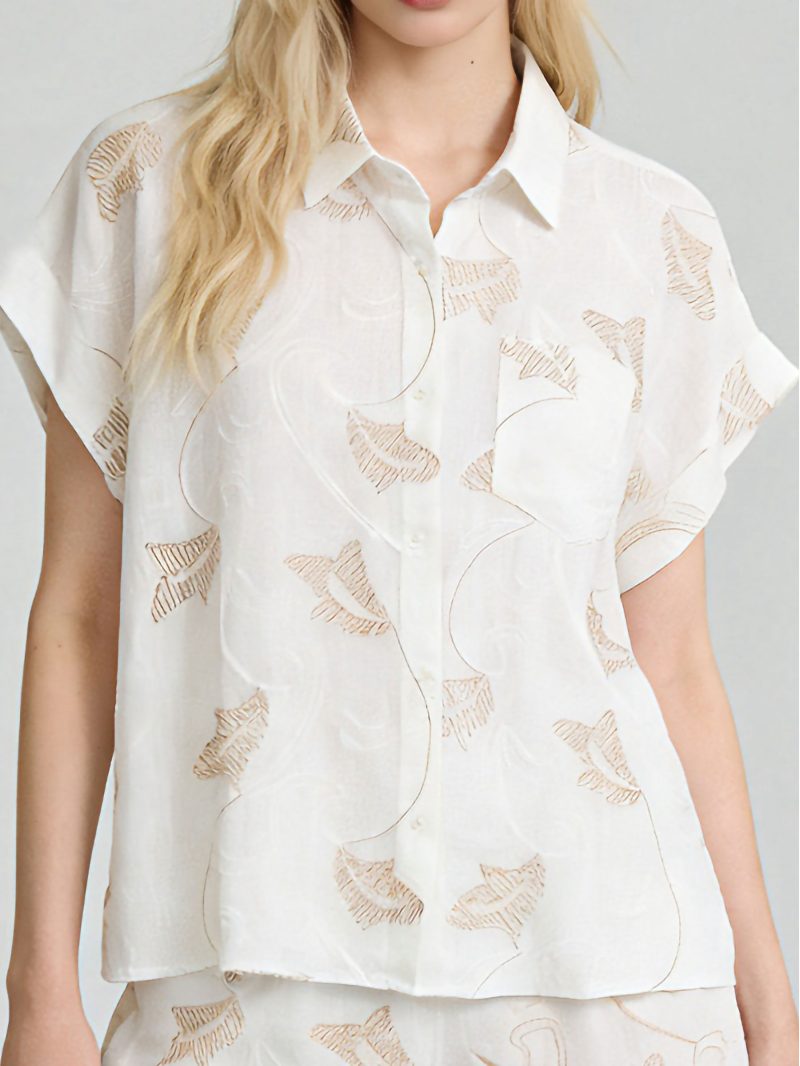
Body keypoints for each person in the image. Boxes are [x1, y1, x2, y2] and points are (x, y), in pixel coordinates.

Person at [0, 0, 797, 1063]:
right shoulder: (147, 186)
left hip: (611, 982)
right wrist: (40, 992)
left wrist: (767, 1002)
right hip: (248, 983)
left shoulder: (649, 231)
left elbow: (673, 658)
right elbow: (83, 615)